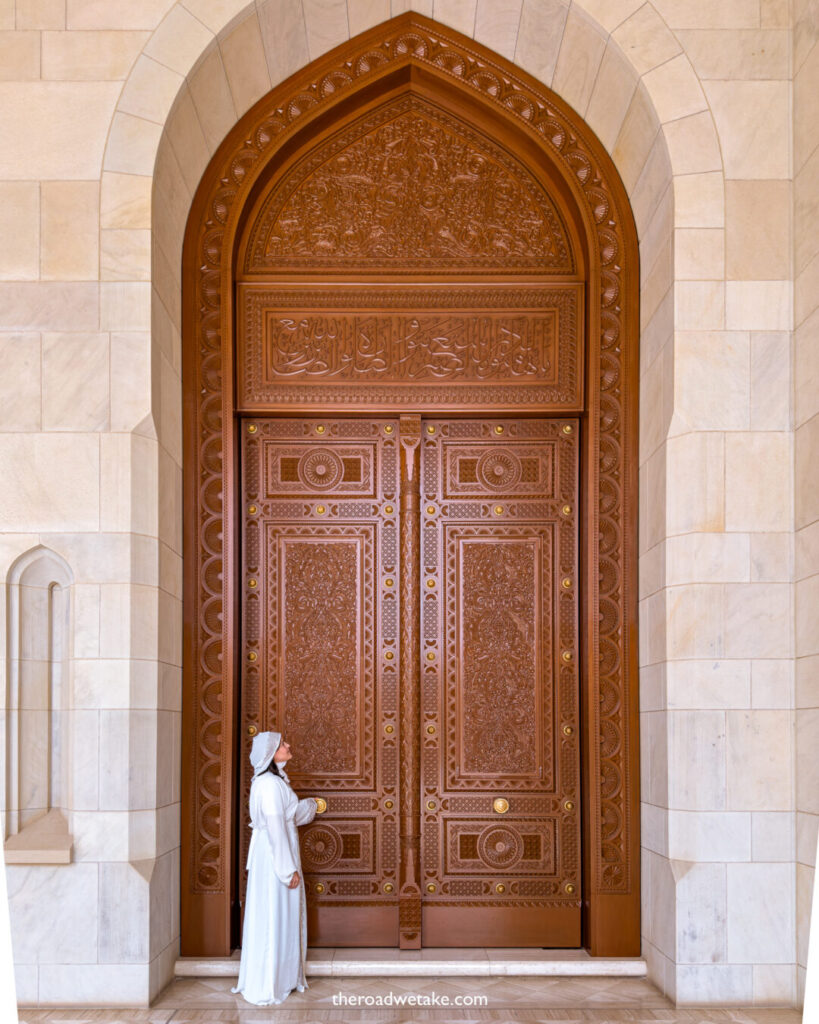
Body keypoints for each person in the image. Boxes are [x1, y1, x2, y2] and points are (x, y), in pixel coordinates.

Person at [232, 731, 318, 1005]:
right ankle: (269, 982)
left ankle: (282, 976)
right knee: (274, 913)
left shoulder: (273, 782)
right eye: (283, 744)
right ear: (271, 753)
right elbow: (276, 829)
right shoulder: (269, 785)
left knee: (277, 913)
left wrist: (313, 806)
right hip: (273, 860)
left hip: (274, 856)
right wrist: (286, 870)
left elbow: (289, 816)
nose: (288, 745)